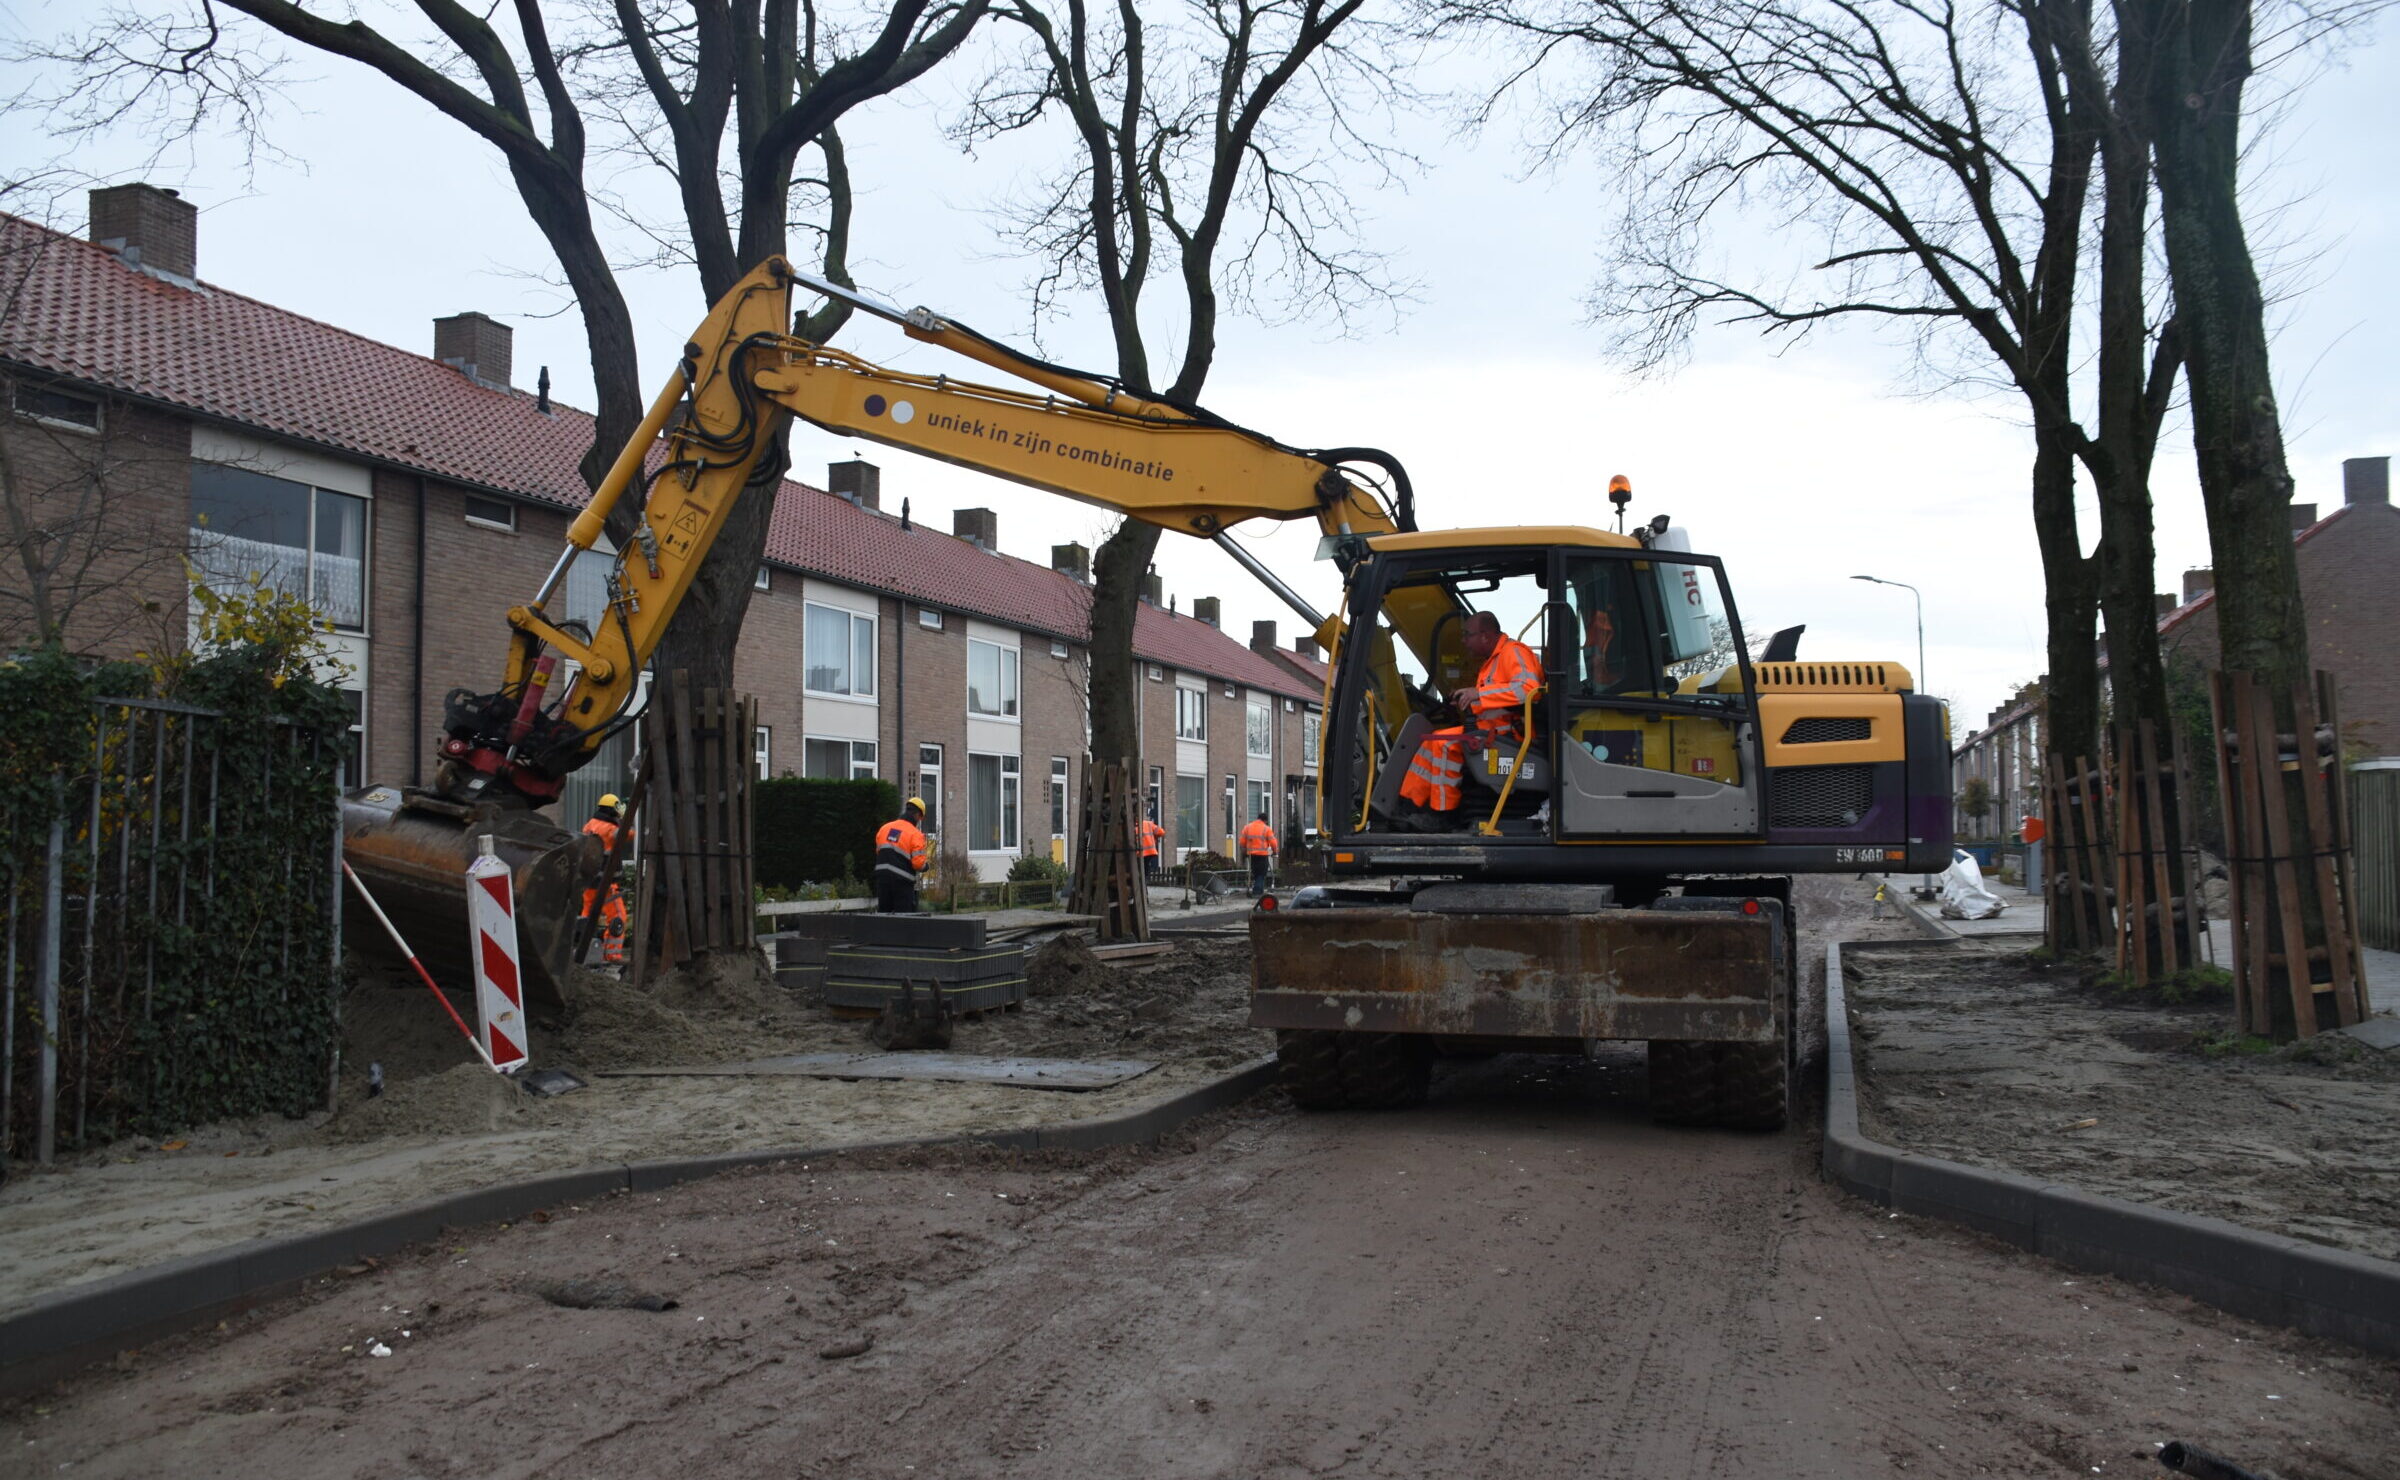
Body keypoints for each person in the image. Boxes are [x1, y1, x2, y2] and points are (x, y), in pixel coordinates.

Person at [1399, 612, 1544, 820]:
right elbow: (1498, 696)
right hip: (1494, 729)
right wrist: (1468, 700)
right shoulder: (1494, 660)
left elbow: (1529, 689)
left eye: (1467, 635)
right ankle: (1410, 804)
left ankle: (1443, 814)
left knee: (1445, 745)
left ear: (1485, 635)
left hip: (1511, 733)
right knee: (1431, 742)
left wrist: (1478, 694)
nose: (1463, 641)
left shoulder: (1513, 653)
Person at [580, 794, 633, 965]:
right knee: (618, 917)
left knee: (587, 918)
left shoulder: (589, 825)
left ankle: (583, 950)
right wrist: (625, 817)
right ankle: (612, 955)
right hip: (606, 884)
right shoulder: (610, 829)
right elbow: (630, 834)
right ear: (612, 810)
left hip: (589, 883)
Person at [874, 797, 932, 913]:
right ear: (918, 815)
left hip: (882, 879)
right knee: (903, 920)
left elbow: (879, 852)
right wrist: (926, 866)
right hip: (902, 882)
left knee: (883, 916)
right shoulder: (915, 834)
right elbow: (918, 864)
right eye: (920, 818)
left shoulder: (884, 828)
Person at [1239, 811, 1278, 896]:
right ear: (1266, 820)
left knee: (1256, 873)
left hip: (1251, 855)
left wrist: (1244, 853)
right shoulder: (1266, 828)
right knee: (1261, 873)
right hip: (1262, 855)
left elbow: (1242, 842)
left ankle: (1259, 890)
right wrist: (1274, 852)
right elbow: (1273, 843)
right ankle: (1257, 891)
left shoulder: (1247, 827)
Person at [1139, 811, 1167, 882]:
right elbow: (1161, 832)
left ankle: (1142, 880)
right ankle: (1145, 880)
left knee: (1140, 867)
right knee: (1146, 866)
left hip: (1139, 852)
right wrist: (1155, 837)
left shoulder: (1133, 826)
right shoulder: (1149, 824)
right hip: (1150, 851)